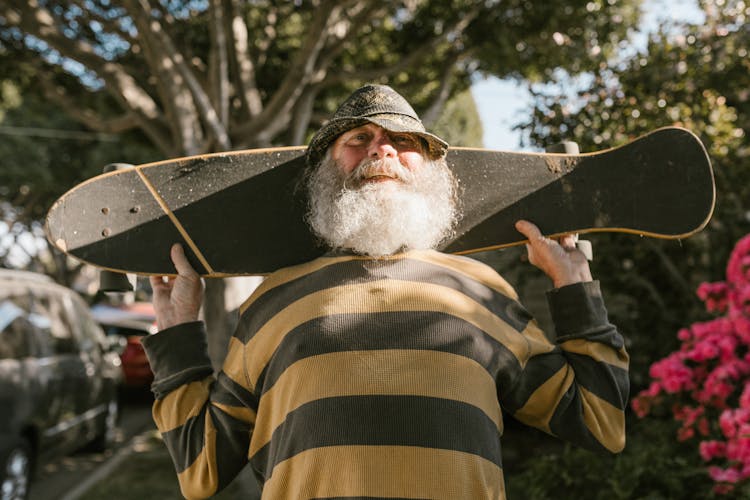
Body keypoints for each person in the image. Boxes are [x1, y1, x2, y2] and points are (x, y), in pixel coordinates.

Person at [143, 84, 629, 500]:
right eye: (360, 139)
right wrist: (179, 330)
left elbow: (599, 420)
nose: (381, 149)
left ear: (431, 170)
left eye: (401, 140)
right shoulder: (273, 299)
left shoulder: (482, 291)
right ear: (327, 170)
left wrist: (574, 285)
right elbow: (200, 469)